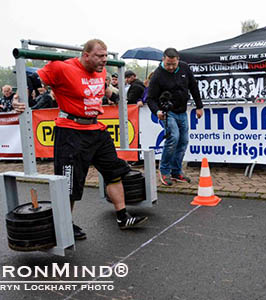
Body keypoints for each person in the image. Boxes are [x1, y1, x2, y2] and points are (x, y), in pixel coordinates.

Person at [13, 39, 148, 239]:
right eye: (99, 56)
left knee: (115, 172)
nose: (104, 60)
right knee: (69, 184)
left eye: (105, 56)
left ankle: (122, 217)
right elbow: (31, 80)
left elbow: (103, 88)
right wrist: (17, 98)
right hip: (71, 132)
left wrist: (116, 95)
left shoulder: (100, 71)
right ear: (86, 55)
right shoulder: (61, 67)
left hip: (96, 129)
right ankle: (65, 225)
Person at [147, 48, 203, 186]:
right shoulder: (158, 75)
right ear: (163, 60)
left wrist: (199, 106)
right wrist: (157, 111)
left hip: (182, 111)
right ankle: (164, 171)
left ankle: (176, 171)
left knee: (184, 141)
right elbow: (150, 99)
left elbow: (193, 87)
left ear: (178, 60)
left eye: (173, 64)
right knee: (173, 138)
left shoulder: (184, 68)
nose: (171, 67)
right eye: (168, 64)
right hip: (168, 112)